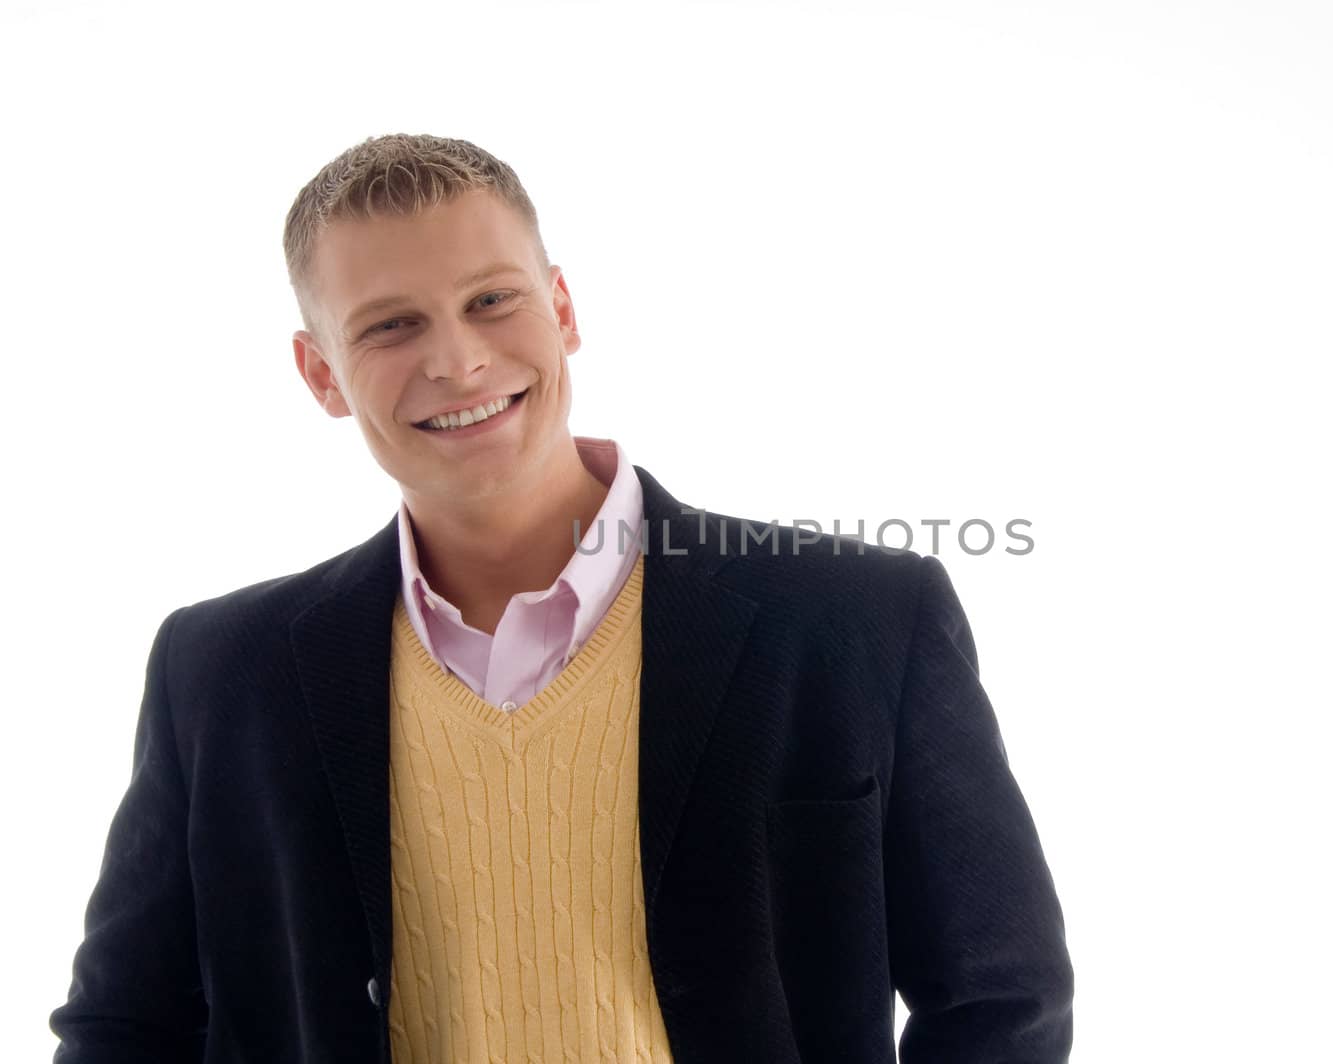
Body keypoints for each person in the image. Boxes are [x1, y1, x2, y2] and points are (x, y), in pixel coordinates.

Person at [48, 133, 1073, 1063]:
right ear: (321, 373)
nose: (457, 358)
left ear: (563, 310)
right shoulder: (223, 671)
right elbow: (126, 1026)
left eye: (491, 300)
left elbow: (1000, 1000)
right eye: (392, 325)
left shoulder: (857, 621)